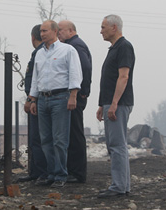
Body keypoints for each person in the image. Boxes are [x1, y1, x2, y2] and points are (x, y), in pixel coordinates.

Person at [29, 20, 82, 188]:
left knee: (60, 139)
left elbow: (75, 73)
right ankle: (50, 173)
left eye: (45, 31)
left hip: (60, 97)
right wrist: (32, 99)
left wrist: (73, 95)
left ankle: (60, 174)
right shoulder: (39, 54)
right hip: (43, 98)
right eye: (41, 31)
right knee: (45, 139)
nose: (42, 34)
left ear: (54, 31)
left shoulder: (68, 50)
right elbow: (35, 79)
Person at [96, 14, 135, 198]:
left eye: (103, 27)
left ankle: (119, 186)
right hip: (110, 103)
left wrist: (113, 103)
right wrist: (101, 104)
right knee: (115, 145)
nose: (101, 30)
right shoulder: (113, 49)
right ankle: (122, 185)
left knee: (117, 145)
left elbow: (123, 77)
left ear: (114, 27)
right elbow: (108, 78)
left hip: (118, 103)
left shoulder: (124, 47)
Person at [58, 20, 92, 183]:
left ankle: (77, 173)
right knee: (71, 133)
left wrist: (81, 92)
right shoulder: (73, 45)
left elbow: (84, 68)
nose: (58, 33)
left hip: (76, 96)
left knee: (75, 133)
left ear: (71, 31)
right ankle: (73, 170)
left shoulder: (76, 46)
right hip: (75, 94)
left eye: (61, 30)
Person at [18, 24, 47, 182]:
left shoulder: (41, 53)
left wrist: (31, 99)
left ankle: (42, 172)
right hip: (35, 99)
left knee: (38, 138)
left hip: (38, 101)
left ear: (32, 37)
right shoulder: (38, 53)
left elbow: (36, 79)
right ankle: (35, 172)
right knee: (35, 138)